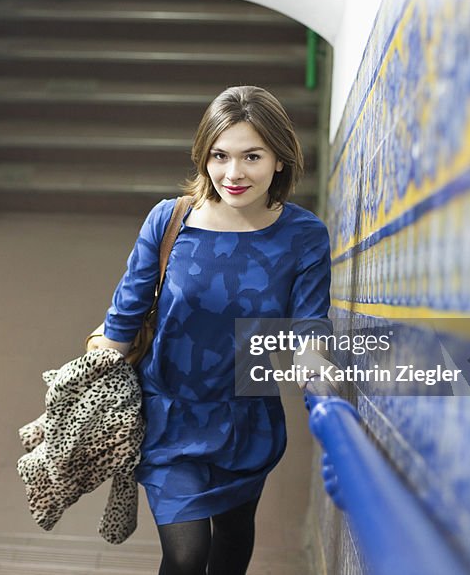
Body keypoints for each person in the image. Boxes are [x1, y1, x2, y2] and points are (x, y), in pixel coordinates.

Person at [87, 85, 332, 575]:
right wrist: (88, 387)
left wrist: (314, 364)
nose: (233, 173)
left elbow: (309, 325)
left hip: (247, 417)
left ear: (279, 160)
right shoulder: (170, 219)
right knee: (185, 554)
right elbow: (124, 315)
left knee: (234, 538)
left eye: (251, 156)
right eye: (219, 155)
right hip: (167, 416)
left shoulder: (304, 236)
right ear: (204, 156)